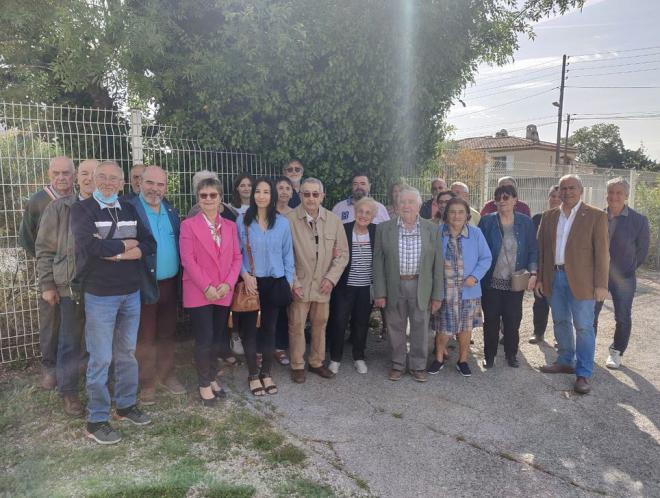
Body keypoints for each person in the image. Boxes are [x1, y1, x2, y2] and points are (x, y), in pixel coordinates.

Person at [70, 160, 156, 444]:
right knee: (101, 358)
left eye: (114, 179)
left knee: (126, 352)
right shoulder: (81, 209)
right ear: (94, 180)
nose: (108, 183)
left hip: (131, 293)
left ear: (122, 183)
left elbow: (149, 243)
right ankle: (96, 420)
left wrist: (117, 252)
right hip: (99, 296)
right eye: (102, 178)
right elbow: (91, 247)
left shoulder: (130, 207)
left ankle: (125, 405)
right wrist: (126, 245)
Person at [35, 159, 99, 416]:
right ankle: (69, 392)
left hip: (102, 287)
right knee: (69, 341)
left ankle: (99, 384)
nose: (90, 178)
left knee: (98, 340)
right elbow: (44, 249)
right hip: (70, 286)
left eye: (96, 174)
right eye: (85, 173)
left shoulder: (109, 208)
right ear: (77, 177)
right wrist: (47, 283)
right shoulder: (59, 208)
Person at [536, 174, 609, 395]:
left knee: (584, 326)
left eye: (572, 188)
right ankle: (565, 360)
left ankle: (583, 373)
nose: (567, 192)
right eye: (563, 188)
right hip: (554, 277)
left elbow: (603, 254)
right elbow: (542, 251)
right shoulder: (548, 217)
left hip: (583, 281)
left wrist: (601, 284)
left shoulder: (596, 216)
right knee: (560, 321)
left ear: (581, 190)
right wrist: (540, 277)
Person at [180, 177, 242, 406]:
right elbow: (188, 259)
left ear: (220, 199)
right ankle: (204, 384)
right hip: (200, 292)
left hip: (223, 290)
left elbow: (237, 257)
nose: (208, 199)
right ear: (198, 199)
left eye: (212, 195)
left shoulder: (230, 226)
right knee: (204, 339)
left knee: (217, 338)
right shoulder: (188, 226)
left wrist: (228, 284)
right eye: (203, 195)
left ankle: (213, 377)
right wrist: (207, 286)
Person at [126, 166, 185, 405]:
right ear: (140, 183)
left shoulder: (170, 210)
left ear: (166, 187)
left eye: (160, 185)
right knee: (145, 336)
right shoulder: (130, 208)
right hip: (144, 282)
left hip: (170, 282)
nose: (155, 189)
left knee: (168, 332)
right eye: (150, 183)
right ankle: (147, 382)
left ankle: (167, 374)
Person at [373, 186, 444, 382]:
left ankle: (418, 366)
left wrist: (437, 295)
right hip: (394, 285)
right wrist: (379, 292)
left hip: (421, 285)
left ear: (419, 205)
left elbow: (437, 264)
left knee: (420, 328)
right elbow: (378, 262)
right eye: (402, 202)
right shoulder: (384, 228)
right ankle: (397, 365)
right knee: (395, 327)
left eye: (411, 202)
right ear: (396, 205)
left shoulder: (432, 229)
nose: (406, 206)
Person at [19, 155, 75, 390]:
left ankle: (72, 367)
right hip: (50, 274)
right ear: (49, 174)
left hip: (73, 276)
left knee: (73, 324)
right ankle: (49, 367)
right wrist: (48, 272)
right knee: (50, 322)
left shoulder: (79, 199)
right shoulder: (38, 201)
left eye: (66, 173)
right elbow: (29, 238)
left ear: (74, 174)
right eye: (56, 173)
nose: (61, 178)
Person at [286, 178, 349, 383]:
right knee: (296, 324)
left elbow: (343, 254)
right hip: (300, 285)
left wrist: (331, 279)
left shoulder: (333, 220)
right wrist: (293, 282)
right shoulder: (288, 220)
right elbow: (284, 254)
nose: (311, 198)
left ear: (322, 196)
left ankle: (316, 362)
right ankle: (297, 364)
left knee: (320, 324)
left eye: (315, 194)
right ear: (300, 195)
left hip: (323, 285)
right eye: (306, 194)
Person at [236, 177, 294, 395]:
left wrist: (288, 281)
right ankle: (253, 374)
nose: (261, 195)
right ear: (253, 195)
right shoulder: (242, 221)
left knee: (270, 330)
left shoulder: (282, 223)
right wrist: (244, 275)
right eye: (258, 191)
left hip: (275, 282)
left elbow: (289, 254)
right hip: (251, 282)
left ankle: (266, 373)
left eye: (266, 192)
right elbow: (236, 253)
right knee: (250, 332)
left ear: (272, 196)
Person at [428, 197, 491, 376]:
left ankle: (463, 360)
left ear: (467, 215)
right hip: (444, 290)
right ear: (446, 215)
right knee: (443, 327)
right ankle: (439, 358)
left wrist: (475, 276)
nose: (456, 216)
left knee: (465, 327)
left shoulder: (476, 233)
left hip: (468, 290)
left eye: (461, 212)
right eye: (452, 212)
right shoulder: (437, 232)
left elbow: (486, 258)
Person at [478, 185, 538, 368]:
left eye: (506, 197)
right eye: (498, 198)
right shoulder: (487, 222)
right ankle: (489, 356)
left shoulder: (526, 222)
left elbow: (532, 249)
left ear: (515, 200)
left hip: (515, 282)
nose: (502, 201)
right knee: (491, 321)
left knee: (513, 320)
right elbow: (480, 249)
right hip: (491, 282)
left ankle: (511, 355)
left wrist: (533, 272)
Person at [593, 177, 649, 369]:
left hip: (624, 278)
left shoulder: (638, 220)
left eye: (619, 193)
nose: (614, 197)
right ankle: (587, 349)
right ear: (606, 194)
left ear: (626, 195)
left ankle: (616, 352)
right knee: (590, 314)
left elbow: (642, 250)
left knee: (623, 317)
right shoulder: (596, 216)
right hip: (598, 275)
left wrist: (628, 267)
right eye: (611, 192)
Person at [328, 197, 378, 375]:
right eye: (360, 211)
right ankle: (335, 358)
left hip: (366, 287)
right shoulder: (344, 228)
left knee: (361, 323)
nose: (363, 215)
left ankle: (359, 357)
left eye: (368, 213)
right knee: (339, 322)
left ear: (373, 216)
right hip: (344, 286)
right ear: (354, 212)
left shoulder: (376, 231)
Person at [529, 185, 561, 344]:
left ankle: (559, 337)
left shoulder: (568, 220)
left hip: (560, 269)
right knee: (540, 302)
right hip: (542, 268)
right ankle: (538, 332)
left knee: (560, 305)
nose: (555, 199)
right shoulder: (537, 218)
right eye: (552, 196)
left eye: (558, 196)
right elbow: (532, 245)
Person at [273, 176, 295, 365]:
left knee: (282, 310)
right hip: (267, 269)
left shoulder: (295, 215)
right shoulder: (267, 212)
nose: (284, 191)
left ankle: (280, 348)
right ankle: (262, 348)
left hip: (287, 268)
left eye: (288, 188)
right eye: (281, 187)